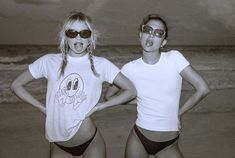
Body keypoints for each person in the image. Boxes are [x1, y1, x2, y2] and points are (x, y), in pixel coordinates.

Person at [11, 11, 136, 158]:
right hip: (58, 145)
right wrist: (41, 108)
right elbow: (16, 85)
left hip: (90, 142)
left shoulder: (101, 64)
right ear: (65, 37)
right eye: (72, 33)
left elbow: (131, 90)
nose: (78, 37)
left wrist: (102, 106)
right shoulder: (49, 61)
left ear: (90, 38)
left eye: (84, 33)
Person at [105, 14, 210, 158]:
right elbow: (109, 96)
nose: (151, 36)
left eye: (158, 33)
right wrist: (140, 100)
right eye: (147, 30)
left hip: (168, 143)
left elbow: (203, 89)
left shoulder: (174, 58)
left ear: (163, 42)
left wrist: (179, 113)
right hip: (138, 138)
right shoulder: (129, 68)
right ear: (140, 34)